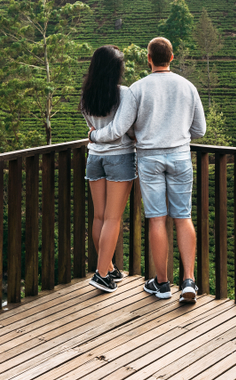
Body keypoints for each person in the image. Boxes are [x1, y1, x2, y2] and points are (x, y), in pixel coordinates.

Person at [88, 37, 206, 303]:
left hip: (149, 158)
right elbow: (200, 129)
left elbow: (125, 128)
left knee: (156, 219)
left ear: (149, 59)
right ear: (172, 58)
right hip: (180, 156)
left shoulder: (137, 89)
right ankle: (188, 280)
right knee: (183, 216)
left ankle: (162, 283)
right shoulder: (188, 86)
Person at [80, 45, 137, 293]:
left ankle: (109, 267)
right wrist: (99, 137)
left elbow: (93, 130)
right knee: (113, 219)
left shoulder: (86, 95)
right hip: (119, 159)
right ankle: (101, 274)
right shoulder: (124, 94)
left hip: (95, 159)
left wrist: (93, 138)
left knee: (100, 217)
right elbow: (118, 131)